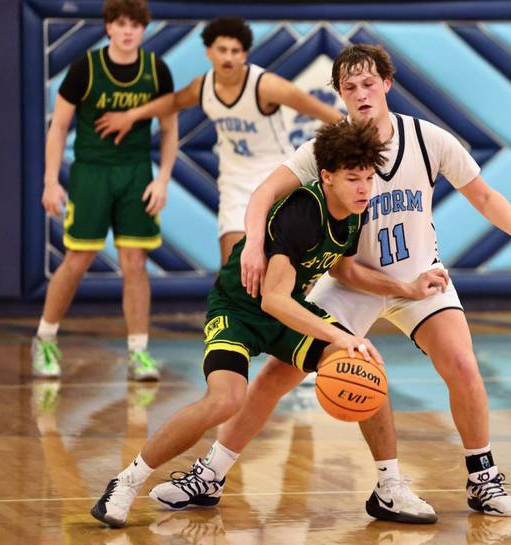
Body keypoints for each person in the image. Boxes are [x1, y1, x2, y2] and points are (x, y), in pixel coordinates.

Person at [152, 44, 511, 520]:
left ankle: (482, 480)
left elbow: (483, 195)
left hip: (418, 280)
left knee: (463, 366)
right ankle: (211, 474)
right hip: (350, 282)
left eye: (368, 83)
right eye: (349, 87)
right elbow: (263, 193)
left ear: (387, 83)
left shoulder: (429, 140)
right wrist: (256, 244)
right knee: (274, 378)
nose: (360, 93)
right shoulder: (327, 148)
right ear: (340, 94)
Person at [90, 119, 447, 528]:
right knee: (225, 399)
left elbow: (345, 273)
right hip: (240, 309)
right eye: (353, 179)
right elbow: (273, 300)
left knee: (366, 363)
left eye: (368, 178)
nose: (364, 188)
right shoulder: (302, 213)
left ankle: (389, 486)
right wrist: (337, 334)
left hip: (287, 306)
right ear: (326, 176)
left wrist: (408, 288)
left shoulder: (353, 213)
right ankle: (126, 482)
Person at [95, 15, 343, 266]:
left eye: (235, 51)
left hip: (276, 177)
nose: (228, 57)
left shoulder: (266, 85)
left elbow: (326, 114)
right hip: (235, 183)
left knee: (286, 267)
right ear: (209, 53)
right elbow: (172, 102)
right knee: (232, 270)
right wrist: (130, 115)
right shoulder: (201, 87)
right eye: (222, 50)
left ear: (244, 55)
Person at [30, 0, 178, 380]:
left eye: (135, 25)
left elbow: (170, 128)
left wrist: (162, 179)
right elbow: (59, 126)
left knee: (134, 261)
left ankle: (139, 351)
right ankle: (45, 338)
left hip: (135, 172)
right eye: (121, 24)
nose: (128, 31)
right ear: (108, 28)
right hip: (92, 171)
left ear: (143, 29)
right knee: (78, 258)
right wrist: (50, 180)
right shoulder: (85, 68)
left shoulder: (156, 70)